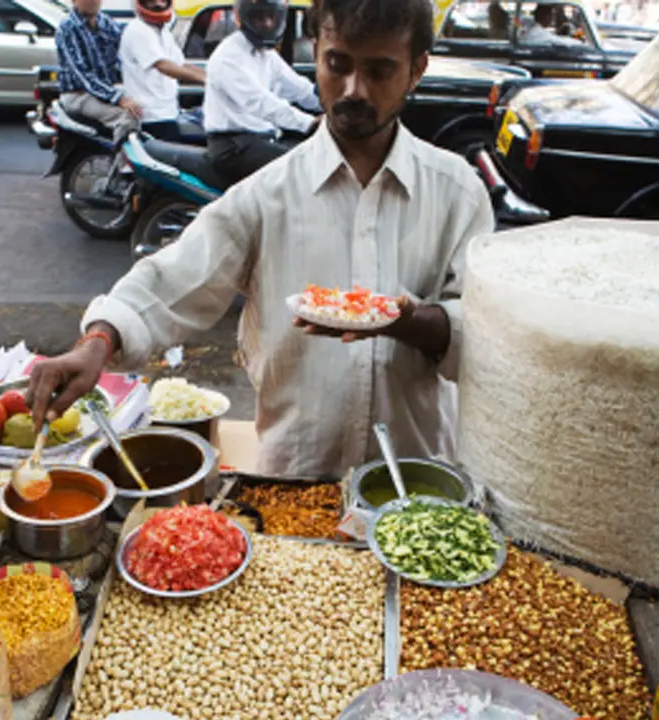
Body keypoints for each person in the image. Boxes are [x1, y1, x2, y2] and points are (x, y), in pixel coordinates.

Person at [27, 0, 495, 477]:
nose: (354, 89)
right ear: (317, 51)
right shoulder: (264, 195)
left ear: (416, 70)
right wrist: (98, 341)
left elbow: (484, 335)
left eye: (379, 71)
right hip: (293, 477)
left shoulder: (457, 193)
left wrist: (406, 321)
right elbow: (174, 280)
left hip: (418, 485)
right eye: (338, 64)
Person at [201, 0, 323, 186]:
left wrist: (332, 102)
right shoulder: (228, 56)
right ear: (244, 17)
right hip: (233, 146)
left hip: (261, 139)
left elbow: (300, 89)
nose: (267, 24)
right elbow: (261, 103)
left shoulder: (267, 54)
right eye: (259, 17)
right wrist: (309, 123)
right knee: (299, 172)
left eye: (271, 17)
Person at [119, 0, 207, 142]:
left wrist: (212, 77)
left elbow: (181, 65)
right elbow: (163, 65)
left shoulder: (163, 31)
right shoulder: (138, 30)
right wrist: (203, 79)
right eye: (152, 1)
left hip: (170, 112)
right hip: (151, 116)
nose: (158, 4)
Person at [56, 0, 140, 143]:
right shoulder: (68, 27)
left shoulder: (106, 23)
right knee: (128, 117)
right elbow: (83, 74)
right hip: (79, 95)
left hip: (105, 89)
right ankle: (120, 164)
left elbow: (127, 48)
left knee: (146, 107)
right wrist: (118, 98)